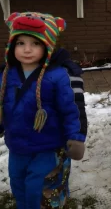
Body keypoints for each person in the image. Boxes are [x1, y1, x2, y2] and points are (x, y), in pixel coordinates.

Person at [0, 11, 87, 209]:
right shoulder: (6, 75)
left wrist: (76, 136)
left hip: (48, 146)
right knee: (18, 184)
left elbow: (70, 109)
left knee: (39, 188)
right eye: (20, 43)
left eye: (35, 43)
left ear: (47, 46)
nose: (27, 49)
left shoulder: (57, 76)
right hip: (17, 146)